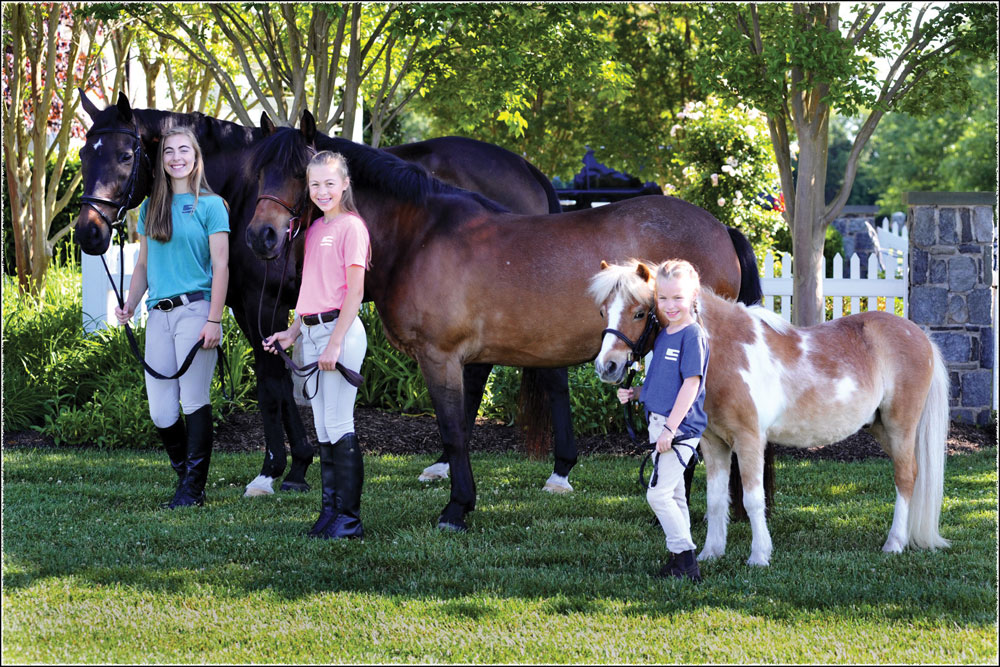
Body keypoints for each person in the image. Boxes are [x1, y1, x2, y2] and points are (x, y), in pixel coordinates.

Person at [115, 126, 230, 508]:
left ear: (196, 158)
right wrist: (130, 304)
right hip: (158, 316)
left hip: (196, 311)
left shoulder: (211, 206)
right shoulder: (151, 208)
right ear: (161, 161)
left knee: (194, 400)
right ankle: (185, 476)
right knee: (161, 410)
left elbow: (222, 265)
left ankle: (192, 489)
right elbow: (144, 264)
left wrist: (214, 320)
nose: (176, 157)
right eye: (168, 152)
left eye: (184, 150)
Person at [263, 151, 369, 540]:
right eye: (315, 184)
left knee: (340, 424)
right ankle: (330, 514)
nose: (322, 191)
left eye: (329, 183)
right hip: (312, 332)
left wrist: (334, 344)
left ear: (344, 184)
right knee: (323, 427)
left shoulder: (351, 228)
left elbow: (355, 293)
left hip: (338, 334)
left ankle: (350, 520)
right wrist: (292, 333)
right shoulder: (314, 231)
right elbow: (310, 291)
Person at [617, 259, 709, 582]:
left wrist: (670, 429)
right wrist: (637, 394)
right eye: (664, 298)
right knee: (674, 495)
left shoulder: (692, 335)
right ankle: (680, 561)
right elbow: (662, 383)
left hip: (680, 430)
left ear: (693, 296)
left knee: (657, 495)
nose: (670, 305)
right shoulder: (665, 335)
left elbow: (691, 384)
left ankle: (686, 562)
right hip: (661, 425)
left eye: (678, 298)